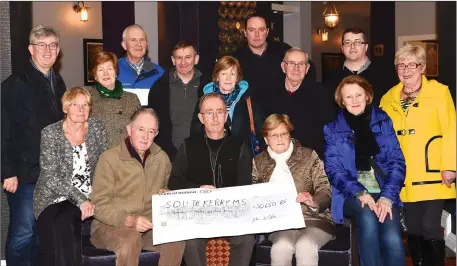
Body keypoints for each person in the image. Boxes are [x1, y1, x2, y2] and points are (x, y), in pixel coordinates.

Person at [380, 44, 456, 266]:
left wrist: (451, 166)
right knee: (412, 227)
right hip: (402, 174)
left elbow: (452, 129)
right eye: (401, 65)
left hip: (434, 172)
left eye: (412, 64)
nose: (406, 70)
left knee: (430, 225)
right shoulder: (387, 98)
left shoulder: (440, 92)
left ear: (422, 67)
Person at [1, 24, 67, 266]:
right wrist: (7, 172)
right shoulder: (15, 84)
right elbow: (3, 130)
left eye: (52, 45)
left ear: (58, 50)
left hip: (50, 174)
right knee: (22, 234)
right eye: (42, 45)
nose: (48, 50)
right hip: (24, 174)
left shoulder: (58, 83)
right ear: (31, 49)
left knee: (41, 234)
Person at [324, 75, 406, 266]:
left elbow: (397, 162)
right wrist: (360, 192)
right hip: (350, 193)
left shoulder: (383, 121)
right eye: (349, 97)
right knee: (368, 215)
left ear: (367, 96)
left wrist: (387, 196)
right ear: (341, 101)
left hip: (384, 190)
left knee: (392, 238)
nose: (354, 101)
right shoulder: (332, 129)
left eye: (358, 95)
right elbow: (334, 170)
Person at [168, 93, 255, 266]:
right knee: (190, 241)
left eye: (219, 112)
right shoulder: (188, 145)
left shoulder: (240, 146)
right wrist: (198, 188)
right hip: (197, 216)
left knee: (246, 238)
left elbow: (246, 187)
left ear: (226, 115)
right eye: (209, 113)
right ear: (201, 118)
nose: (215, 117)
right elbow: (174, 181)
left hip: (231, 214)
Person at [90, 108, 185, 266]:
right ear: (129, 129)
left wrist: (167, 195)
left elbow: (167, 191)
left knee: (175, 238)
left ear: (156, 134)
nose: (145, 136)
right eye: (141, 129)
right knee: (130, 239)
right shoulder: (109, 158)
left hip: (149, 225)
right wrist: (128, 220)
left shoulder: (162, 158)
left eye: (151, 131)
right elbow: (98, 205)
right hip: (111, 225)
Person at [33, 87, 108, 266]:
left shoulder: (97, 128)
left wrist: (97, 196)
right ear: (65, 108)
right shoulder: (50, 133)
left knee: (63, 224)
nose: (81, 110)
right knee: (50, 230)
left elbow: (106, 164)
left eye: (85, 105)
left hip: (88, 195)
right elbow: (50, 177)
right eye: (75, 104)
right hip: (52, 196)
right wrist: (80, 199)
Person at [252, 114, 334, 266]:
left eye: (284, 133)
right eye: (274, 135)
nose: (280, 138)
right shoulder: (258, 162)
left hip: (313, 219)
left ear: (290, 134)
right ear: (266, 139)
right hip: (280, 223)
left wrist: (313, 201)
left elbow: (324, 190)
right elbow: (253, 195)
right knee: (280, 248)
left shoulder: (309, 155)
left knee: (305, 246)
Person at [232, 13, 317, 112]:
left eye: (261, 30)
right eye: (251, 30)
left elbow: (310, 69)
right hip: (250, 117)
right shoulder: (235, 59)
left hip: (283, 114)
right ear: (245, 32)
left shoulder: (282, 50)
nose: (257, 35)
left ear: (267, 32)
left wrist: (298, 95)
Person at [148, 41, 211, 161]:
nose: (183, 62)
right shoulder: (159, 88)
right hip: (167, 155)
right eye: (179, 58)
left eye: (188, 57)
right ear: (173, 60)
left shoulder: (208, 87)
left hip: (201, 153)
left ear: (196, 59)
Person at [268, 47, 335, 159]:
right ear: (283, 67)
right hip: (277, 158)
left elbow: (329, 131)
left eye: (301, 64)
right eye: (291, 63)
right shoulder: (269, 94)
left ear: (307, 68)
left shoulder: (322, 93)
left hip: (310, 160)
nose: (296, 68)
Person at [190, 55, 265, 153]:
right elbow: (195, 131)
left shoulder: (248, 99)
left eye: (232, 74)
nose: (228, 78)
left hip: (242, 155)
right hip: (212, 154)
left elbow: (261, 130)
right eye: (224, 73)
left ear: (237, 78)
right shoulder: (205, 100)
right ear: (217, 77)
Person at [324, 27, 397, 107]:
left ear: (366, 47)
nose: (352, 46)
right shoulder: (332, 77)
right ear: (342, 48)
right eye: (347, 42)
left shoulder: (385, 75)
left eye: (358, 42)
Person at [88, 51, 141, 148]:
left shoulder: (133, 99)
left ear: (116, 72)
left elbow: (141, 130)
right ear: (95, 75)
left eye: (109, 68)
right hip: (102, 159)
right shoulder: (87, 100)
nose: (106, 73)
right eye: (100, 70)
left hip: (130, 157)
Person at [118, 24, 164, 105]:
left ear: (146, 44)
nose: (138, 44)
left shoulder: (159, 72)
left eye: (142, 40)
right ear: (124, 45)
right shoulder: (113, 70)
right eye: (133, 40)